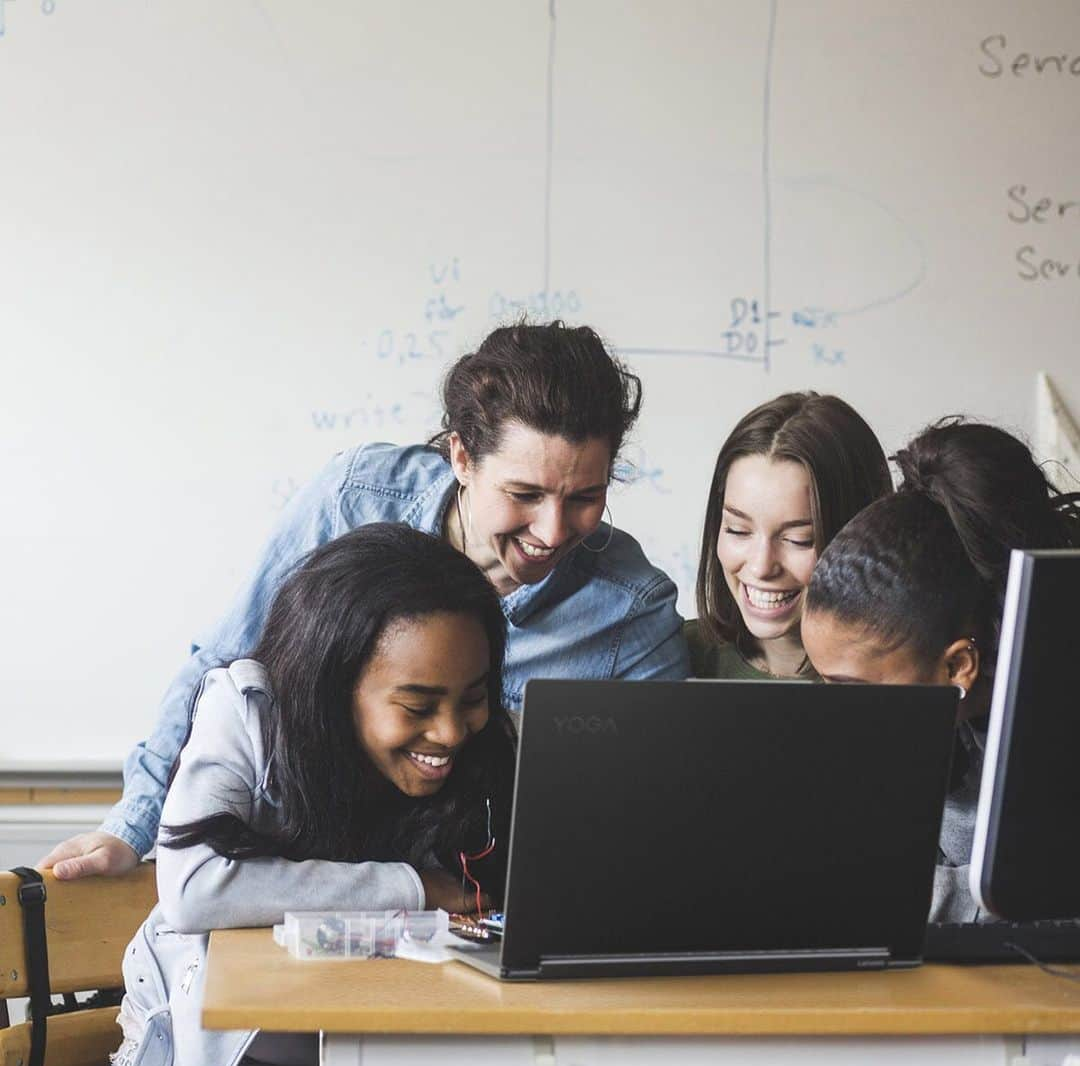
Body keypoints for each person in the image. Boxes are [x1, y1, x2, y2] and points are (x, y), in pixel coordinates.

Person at [42, 322, 690, 880]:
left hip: (471, 904)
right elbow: (222, 664)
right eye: (523, 494)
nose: (553, 532)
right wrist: (134, 824)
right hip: (294, 873)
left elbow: (650, 811)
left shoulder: (631, 611)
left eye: (584, 498)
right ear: (462, 457)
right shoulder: (355, 501)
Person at [109, 523, 517, 1066]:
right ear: (334, 684)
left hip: (397, 1048)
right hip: (236, 1059)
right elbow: (195, 889)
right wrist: (414, 888)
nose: (450, 733)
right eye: (417, 707)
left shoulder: (486, 745)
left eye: (474, 698)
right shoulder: (247, 711)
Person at [800, 417, 1080, 921]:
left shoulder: (1055, 747)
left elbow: (1031, 898)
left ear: (958, 666)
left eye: (851, 689)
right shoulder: (927, 730)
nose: (833, 710)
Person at [686, 392, 891, 678]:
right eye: (738, 530)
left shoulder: (900, 673)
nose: (761, 566)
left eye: (799, 540)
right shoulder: (673, 655)